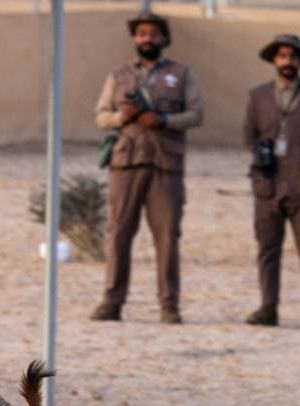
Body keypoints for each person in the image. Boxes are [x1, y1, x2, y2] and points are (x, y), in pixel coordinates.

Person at [90, 12, 204, 323]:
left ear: (164, 39)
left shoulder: (182, 74)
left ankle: (169, 305)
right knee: (118, 234)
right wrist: (121, 117)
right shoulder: (119, 75)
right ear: (134, 39)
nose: (147, 39)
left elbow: (196, 114)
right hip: (125, 162)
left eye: (153, 34)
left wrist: (163, 120)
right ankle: (112, 301)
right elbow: (101, 115)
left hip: (165, 164)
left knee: (167, 236)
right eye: (141, 34)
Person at [243, 34, 300, 330]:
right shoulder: (258, 96)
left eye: (293, 56)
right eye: (282, 56)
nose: (288, 61)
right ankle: (268, 307)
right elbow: (249, 136)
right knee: (268, 249)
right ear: (274, 60)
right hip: (268, 183)